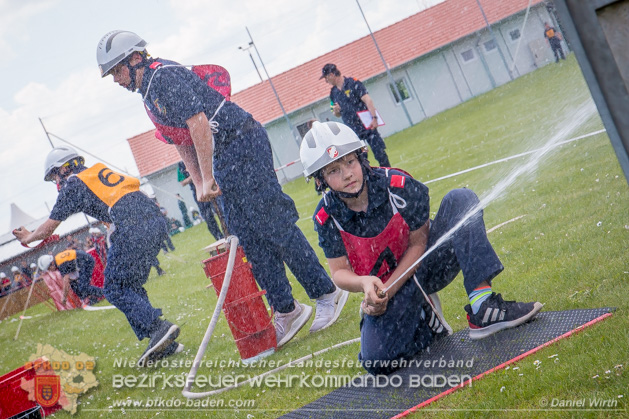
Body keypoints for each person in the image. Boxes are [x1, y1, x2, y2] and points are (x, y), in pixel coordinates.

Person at [97, 30, 349, 347]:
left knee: (272, 223)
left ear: (135, 59)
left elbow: (199, 123)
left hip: (242, 141)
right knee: (247, 237)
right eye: (112, 75)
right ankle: (287, 309)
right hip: (224, 154)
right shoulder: (149, 96)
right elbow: (180, 141)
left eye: (117, 70)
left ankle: (326, 292)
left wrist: (208, 176)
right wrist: (202, 181)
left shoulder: (164, 76)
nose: (117, 80)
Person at [300, 121, 543, 375]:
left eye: (350, 161)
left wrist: (388, 290)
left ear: (362, 157)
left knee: (461, 200)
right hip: (386, 291)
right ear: (321, 181)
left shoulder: (398, 186)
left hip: (427, 265)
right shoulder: (326, 217)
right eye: (334, 171)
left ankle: (483, 307)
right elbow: (338, 272)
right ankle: (423, 317)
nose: (348, 174)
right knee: (377, 362)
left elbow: (419, 244)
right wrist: (365, 285)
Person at [13, 146, 182, 366]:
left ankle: (159, 329)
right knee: (129, 286)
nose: (56, 181)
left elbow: (47, 230)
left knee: (115, 289)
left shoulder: (73, 184)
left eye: (54, 175)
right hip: (154, 220)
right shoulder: (95, 173)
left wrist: (28, 238)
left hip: (132, 224)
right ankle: (162, 342)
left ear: (64, 168)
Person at [320, 63, 391, 168]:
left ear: (331, 75)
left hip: (367, 125)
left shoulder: (353, 83)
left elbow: (367, 100)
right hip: (353, 130)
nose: (326, 81)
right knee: (360, 159)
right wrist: (336, 111)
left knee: (380, 153)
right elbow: (337, 114)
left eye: (326, 78)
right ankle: (368, 181)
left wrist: (374, 118)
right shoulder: (333, 93)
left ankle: (388, 176)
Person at [178, 161, 224, 241]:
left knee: (220, 211)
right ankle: (219, 237)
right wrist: (194, 175)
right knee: (208, 217)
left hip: (210, 185)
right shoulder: (181, 164)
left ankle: (229, 233)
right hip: (198, 190)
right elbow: (182, 182)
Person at [38, 250, 105, 306]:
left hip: (86, 262)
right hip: (82, 262)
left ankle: (105, 293)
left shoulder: (60, 263)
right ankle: (92, 299)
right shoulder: (58, 260)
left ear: (52, 263)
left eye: (49, 268)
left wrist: (64, 297)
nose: (50, 270)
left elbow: (66, 281)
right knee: (75, 287)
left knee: (83, 287)